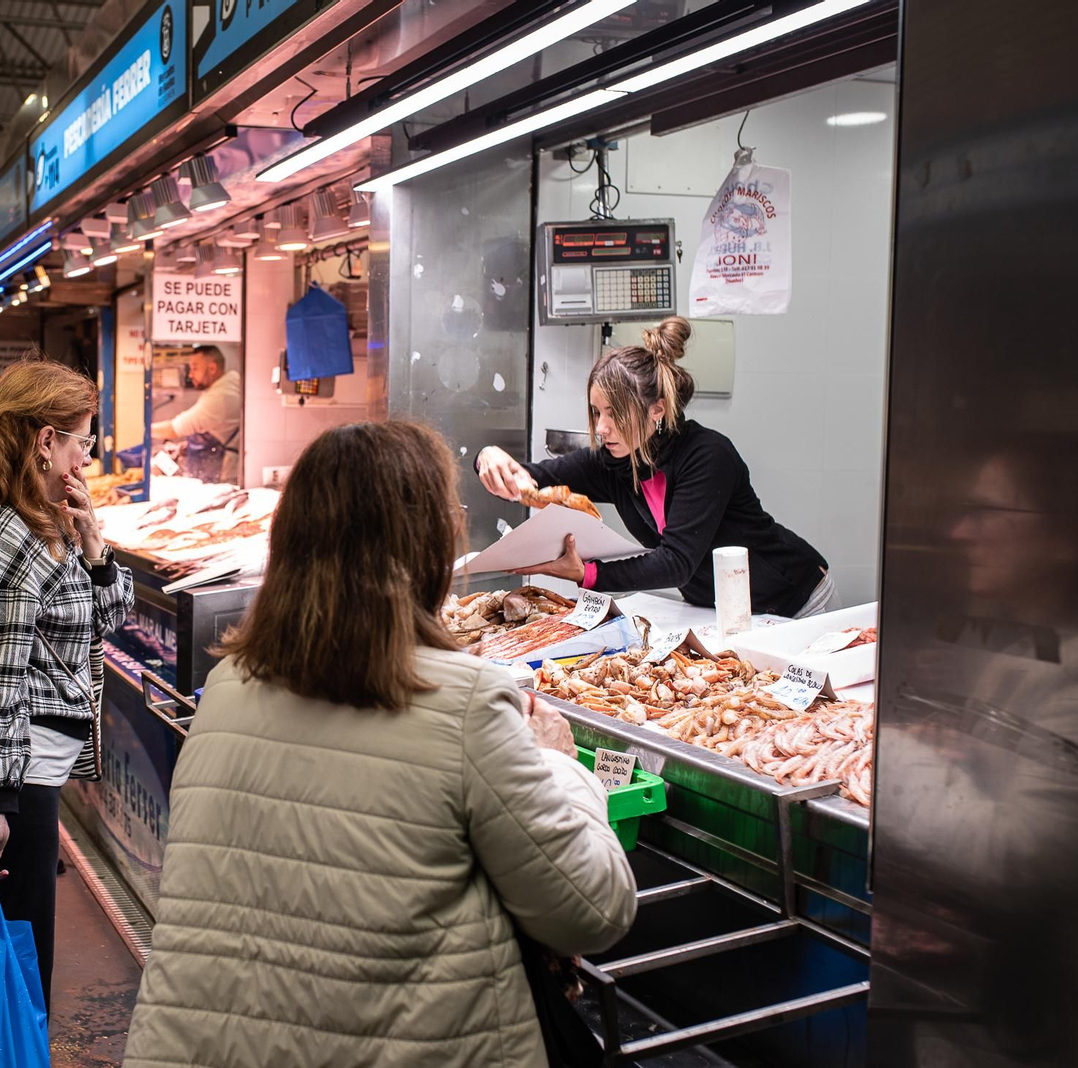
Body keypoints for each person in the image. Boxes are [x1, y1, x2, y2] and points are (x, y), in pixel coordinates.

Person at [122, 420, 637, 1068]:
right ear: (424, 548)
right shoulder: (467, 703)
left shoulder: (227, 686)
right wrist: (559, 765)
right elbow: (592, 911)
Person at [0, 358, 135, 1009]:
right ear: (45, 441)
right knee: (20, 961)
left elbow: (106, 619)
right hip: (15, 777)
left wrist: (93, 541)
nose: (85, 456)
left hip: (28, 771)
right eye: (81, 441)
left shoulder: (44, 522)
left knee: (21, 956)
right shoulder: (5, 539)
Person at [476, 316, 831, 618]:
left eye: (615, 414)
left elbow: (676, 562)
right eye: (597, 412)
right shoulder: (613, 460)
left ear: (656, 410)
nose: (601, 428)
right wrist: (490, 459)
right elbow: (532, 479)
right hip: (718, 608)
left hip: (794, 600)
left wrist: (588, 574)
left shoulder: (708, 457)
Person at [149, 344, 242, 482]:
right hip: (220, 472)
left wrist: (143, 430)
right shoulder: (232, 381)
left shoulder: (220, 397)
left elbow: (173, 430)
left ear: (212, 368)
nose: (190, 374)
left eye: (195, 368)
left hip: (221, 478)